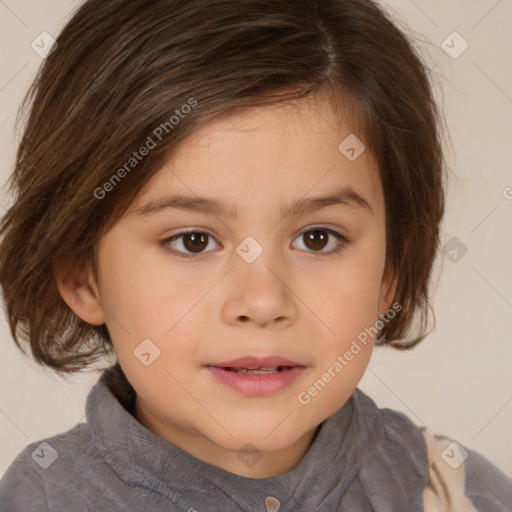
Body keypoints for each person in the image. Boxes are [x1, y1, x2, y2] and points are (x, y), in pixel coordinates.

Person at [0, 0, 510, 510]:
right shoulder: (38, 499)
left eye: (317, 238)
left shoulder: (460, 494)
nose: (263, 302)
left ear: (388, 274)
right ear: (83, 276)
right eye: (193, 241)